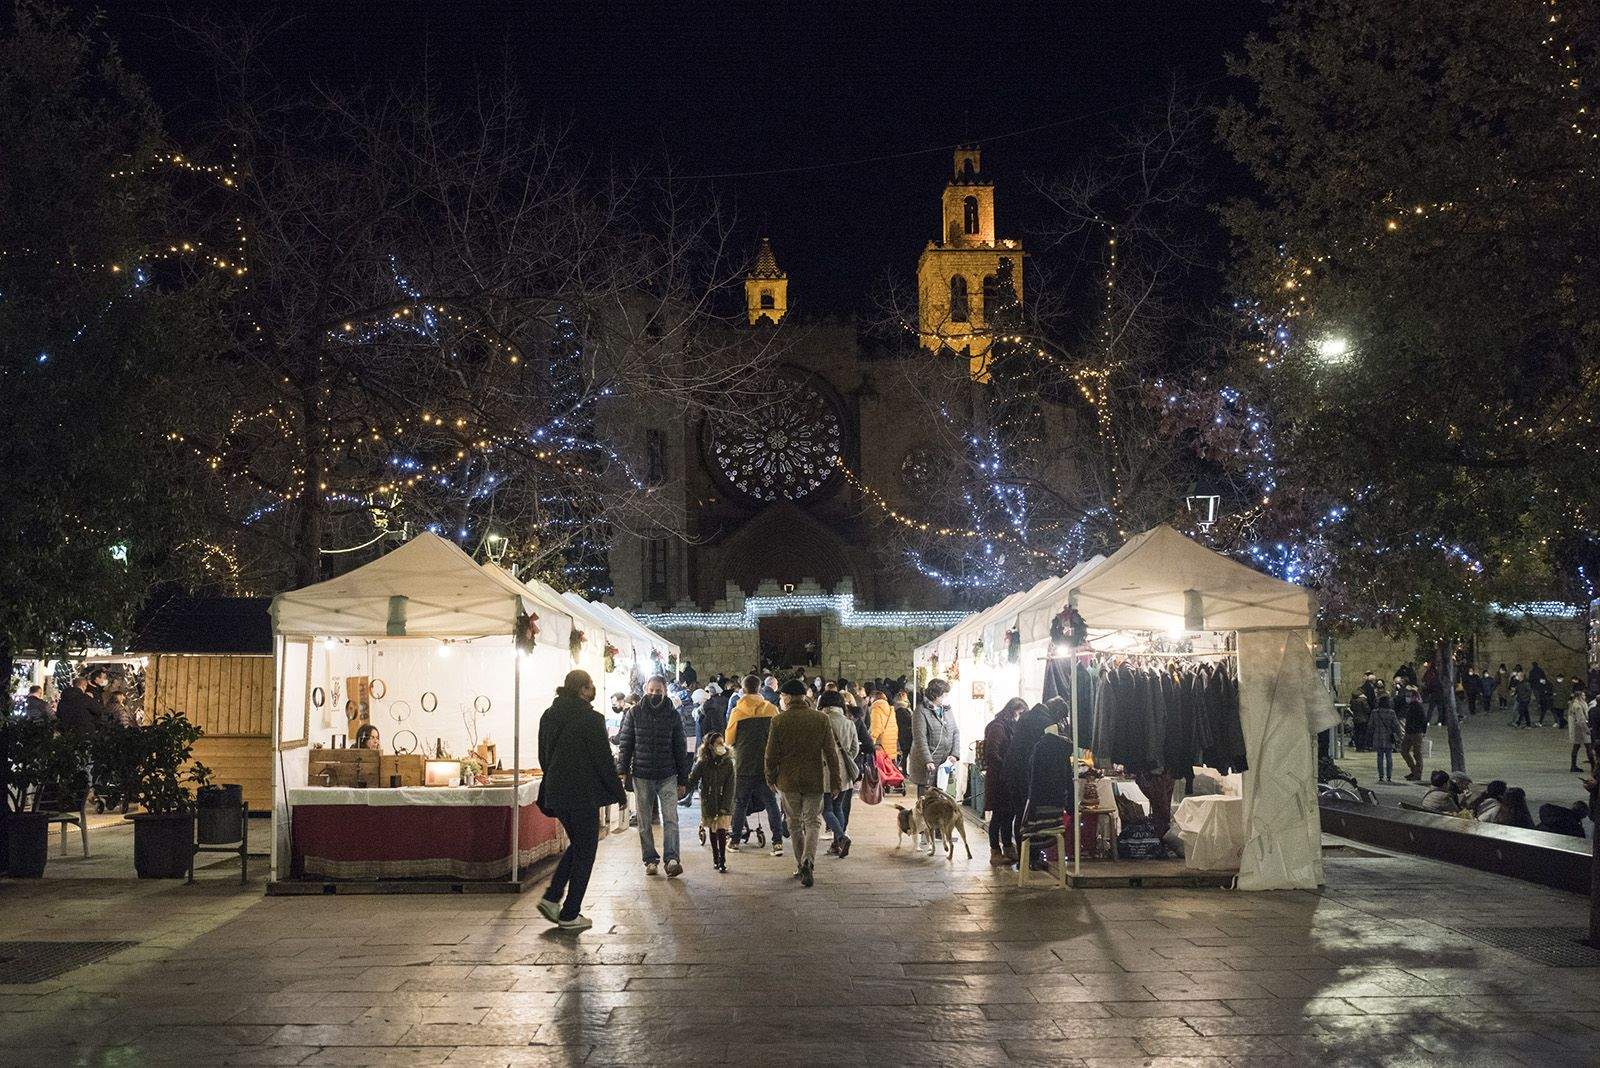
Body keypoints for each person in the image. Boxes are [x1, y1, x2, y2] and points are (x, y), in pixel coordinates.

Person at [536, 669, 628, 931]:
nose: (593, 690)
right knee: (586, 851)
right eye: (590, 686)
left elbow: (543, 754)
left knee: (578, 845)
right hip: (582, 794)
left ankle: (553, 897)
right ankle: (570, 913)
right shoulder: (591, 719)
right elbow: (602, 761)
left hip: (557, 791)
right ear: (582, 690)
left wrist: (554, 776)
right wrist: (619, 793)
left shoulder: (549, 715)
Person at [764, 678, 847, 887]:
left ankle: (801, 864)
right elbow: (831, 753)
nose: (781, 699)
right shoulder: (820, 719)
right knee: (813, 822)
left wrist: (770, 777)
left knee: (794, 823)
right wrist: (836, 781)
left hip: (788, 780)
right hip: (814, 779)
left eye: (782, 696)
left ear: (789, 697)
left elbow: (770, 755)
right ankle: (809, 861)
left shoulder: (779, 721)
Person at [615, 675, 692, 877]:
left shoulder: (673, 715)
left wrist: (683, 780)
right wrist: (622, 770)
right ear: (645, 690)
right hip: (642, 775)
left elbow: (679, 748)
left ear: (665, 691)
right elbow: (626, 743)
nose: (654, 694)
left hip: (668, 774)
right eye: (651, 690)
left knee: (671, 818)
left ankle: (672, 859)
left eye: (658, 691)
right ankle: (650, 859)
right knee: (644, 820)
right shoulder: (634, 713)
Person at [726, 674, 784, 856]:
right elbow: (779, 737)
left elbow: (729, 740)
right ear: (760, 689)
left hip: (744, 764)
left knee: (740, 802)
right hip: (766, 763)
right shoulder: (772, 709)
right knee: (770, 803)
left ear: (743, 690)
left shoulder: (737, 712)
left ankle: (735, 840)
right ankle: (777, 842)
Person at [908, 679, 960, 828]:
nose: (946, 697)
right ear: (935, 695)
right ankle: (925, 828)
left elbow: (955, 731)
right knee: (927, 798)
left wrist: (954, 754)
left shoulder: (947, 710)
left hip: (945, 762)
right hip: (927, 764)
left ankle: (940, 828)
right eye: (944, 694)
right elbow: (920, 738)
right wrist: (927, 760)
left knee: (942, 797)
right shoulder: (921, 711)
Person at [683, 731, 737, 872]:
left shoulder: (728, 763)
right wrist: (681, 789)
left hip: (723, 802)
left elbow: (730, 786)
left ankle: (722, 860)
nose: (721, 746)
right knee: (713, 831)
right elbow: (692, 780)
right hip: (709, 801)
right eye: (717, 743)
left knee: (721, 831)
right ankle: (716, 858)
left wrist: (726, 805)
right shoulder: (702, 763)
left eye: (722, 743)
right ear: (710, 746)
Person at [983, 698, 1025, 865]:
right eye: (1020, 713)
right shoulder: (998, 727)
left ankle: (1007, 847)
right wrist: (1007, 766)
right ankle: (995, 851)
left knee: (1008, 814)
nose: (1020, 717)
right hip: (999, 779)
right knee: (999, 815)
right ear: (1013, 710)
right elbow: (992, 752)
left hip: (1006, 778)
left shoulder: (1008, 727)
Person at [818, 691, 860, 857]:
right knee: (839, 809)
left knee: (826, 808)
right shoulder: (848, 722)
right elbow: (855, 748)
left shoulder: (820, 720)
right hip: (844, 773)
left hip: (825, 771)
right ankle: (837, 844)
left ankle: (841, 838)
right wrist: (845, 758)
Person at [1368, 696, 1402, 783]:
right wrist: (1400, 736)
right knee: (1389, 757)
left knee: (1379, 757)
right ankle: (1389, 776)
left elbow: (1370, 726)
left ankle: (1381, 776)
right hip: (1389, 737)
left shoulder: (1374, 712)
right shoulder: (1391, 713)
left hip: (1378, 737)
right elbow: (1397, 725)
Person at [1399, 686, 1428, 781]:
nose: (1407, 698)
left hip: (1416, 732)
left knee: (1417, 753)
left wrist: (1423, 731)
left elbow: (1423, 720)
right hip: (1409, 732)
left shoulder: (1418, 706)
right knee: (1404, 750)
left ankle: (1417, 773)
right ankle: (1414, 770)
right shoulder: (1410, 706)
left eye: (1409, 696)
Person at [867, 688, 898, 761]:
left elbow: (876, 728)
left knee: (880, 771)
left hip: (881, 746)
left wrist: (870, 743)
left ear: (873, 698)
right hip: (891, 745)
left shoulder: (876, 709)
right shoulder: (890, 709)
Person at [1570, 686, 1595, 774]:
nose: (1584, 697)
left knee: (1576, 747)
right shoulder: (1578, 706)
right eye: (1583, 695)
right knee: (1588, 746)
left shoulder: (1578, 704)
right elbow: (1581, 719)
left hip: (1578, 728)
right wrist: (1587, 729)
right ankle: (1593, 766)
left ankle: (1573, 765)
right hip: (1581, 729)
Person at [893, 692, 914, 786]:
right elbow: (909, 722)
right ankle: (903, 772)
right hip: (905, 735)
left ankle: (903, 772)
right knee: (904, 755)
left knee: (903, 755)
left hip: (899, 735)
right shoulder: (903, 710)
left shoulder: (895, 709)